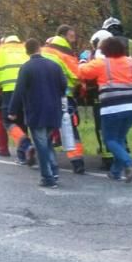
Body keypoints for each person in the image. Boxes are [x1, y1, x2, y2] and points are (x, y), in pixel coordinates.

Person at [79, 37, 132, 183]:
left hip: (111, 108)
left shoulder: (101, 63)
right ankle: (115, 172)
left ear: (104, 51)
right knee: (119, 139)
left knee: (109, 140)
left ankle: (130, 163)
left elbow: (83, 73)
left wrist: (83, 60)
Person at [9, 38, 67, 188]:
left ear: (27, 51)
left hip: (36, 111)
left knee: (41, 145)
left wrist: (12, 111)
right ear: (40, 48)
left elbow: (19, 90)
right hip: (54, 111)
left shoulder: (26, 68)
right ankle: (54, 171)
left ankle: (48, 177)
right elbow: (63, 86)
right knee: (47, 142)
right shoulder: (54, 66)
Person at [41, 25, 86, 174]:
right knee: (69, 127)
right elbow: (77, 75)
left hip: (43, 95)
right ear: (64, 35)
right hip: (63, 95)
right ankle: (77, 161)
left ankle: (42, 157)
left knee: (45, 127)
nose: (73, 40)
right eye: (72, 36)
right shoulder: (64, 53)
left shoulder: (44, 50)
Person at [0, 35, 33, 161]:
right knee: (22, 122)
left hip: (8, 90)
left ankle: (26, 144)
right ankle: (23, 156)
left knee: (8, 121)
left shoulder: (0, 50)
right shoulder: (25, 48)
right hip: (27, 90)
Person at [83, 29, 114, 170]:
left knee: (102, 127)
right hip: (118, 97)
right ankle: (119, 153)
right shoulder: (118, 56)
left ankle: (108, 158)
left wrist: (82, 63)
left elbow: (88, 75)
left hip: (100, 96)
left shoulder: (98, 57)